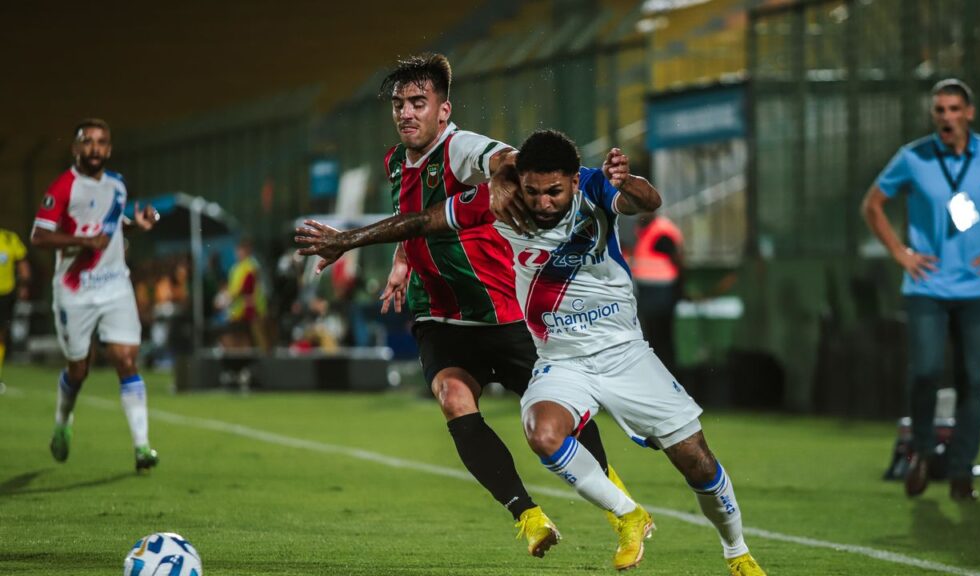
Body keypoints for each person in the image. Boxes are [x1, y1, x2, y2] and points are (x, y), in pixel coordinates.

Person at [298, 130, 766, 575]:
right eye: (534, 191)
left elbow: (647, 202)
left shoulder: (594, 188)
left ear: (573, 179)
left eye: (554, 193)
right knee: (540, 430)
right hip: (561, 361)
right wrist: (346, 240)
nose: (542, 203)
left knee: (696, 460)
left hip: (624, 353)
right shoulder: (501, 201)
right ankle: (629, 515)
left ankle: (737, 551)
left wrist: (629, 181)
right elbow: (422, 221)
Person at [296, 53, 630, 558]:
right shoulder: (394, 162)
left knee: (562, 417)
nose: (407, 113)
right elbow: (411, 219)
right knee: (453, 398)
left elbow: (508, 157)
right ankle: (530, 517)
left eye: (418, 103)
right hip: (439, 316)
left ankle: (620, 510)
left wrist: (503, 174)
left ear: (443, 110)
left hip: (504, 311)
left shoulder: (459, 148)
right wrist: (402, 261)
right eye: (399, 104)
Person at [861, 79, 980, 501]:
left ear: (969, 112)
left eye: (954, 109)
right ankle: (922, 451)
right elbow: (872, 204)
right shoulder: (913, 157)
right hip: (926, 285)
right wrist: (900, 252)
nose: (947, 117)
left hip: (976, 288)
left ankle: (961, 470)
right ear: (933, 115)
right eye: (940, 111)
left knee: (975, 379)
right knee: (926, 371)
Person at [30, 118, 161, 472]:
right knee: (79, 369)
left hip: (116, 284)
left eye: (101, 142)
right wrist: (83, 242)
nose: (95, 148)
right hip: (75, 291)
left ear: (109, 148)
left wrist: (137, 225)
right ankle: (62, 422)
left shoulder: (118, 185)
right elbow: (39, 237)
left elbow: (112, 225)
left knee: (126, 359)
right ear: (75, 148)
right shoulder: (62, 188)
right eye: (87, 141)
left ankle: (142, 447)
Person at [632, 211, 686, 371]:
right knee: (653, 338)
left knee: (660, 338)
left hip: (661, 292)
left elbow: (677, 260)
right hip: (649, 291)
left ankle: (667, 373)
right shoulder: (646, 229)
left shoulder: (661, 231)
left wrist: (680, 288)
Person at [222, 240, 267, 350]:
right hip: (238, 309)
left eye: (241, 250)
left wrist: (230, 297)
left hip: (252, 307)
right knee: (241, 340)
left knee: (257, 339)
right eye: (238, 250)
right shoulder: (235, 268)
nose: (238, 253)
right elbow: (233, 287)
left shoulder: (251, 265)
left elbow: (246, 286)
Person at [0, 228, 31, 386]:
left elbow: (22, 263)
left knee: (1, 334)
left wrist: (24, 285)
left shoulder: (9, 238)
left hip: (5, 294)